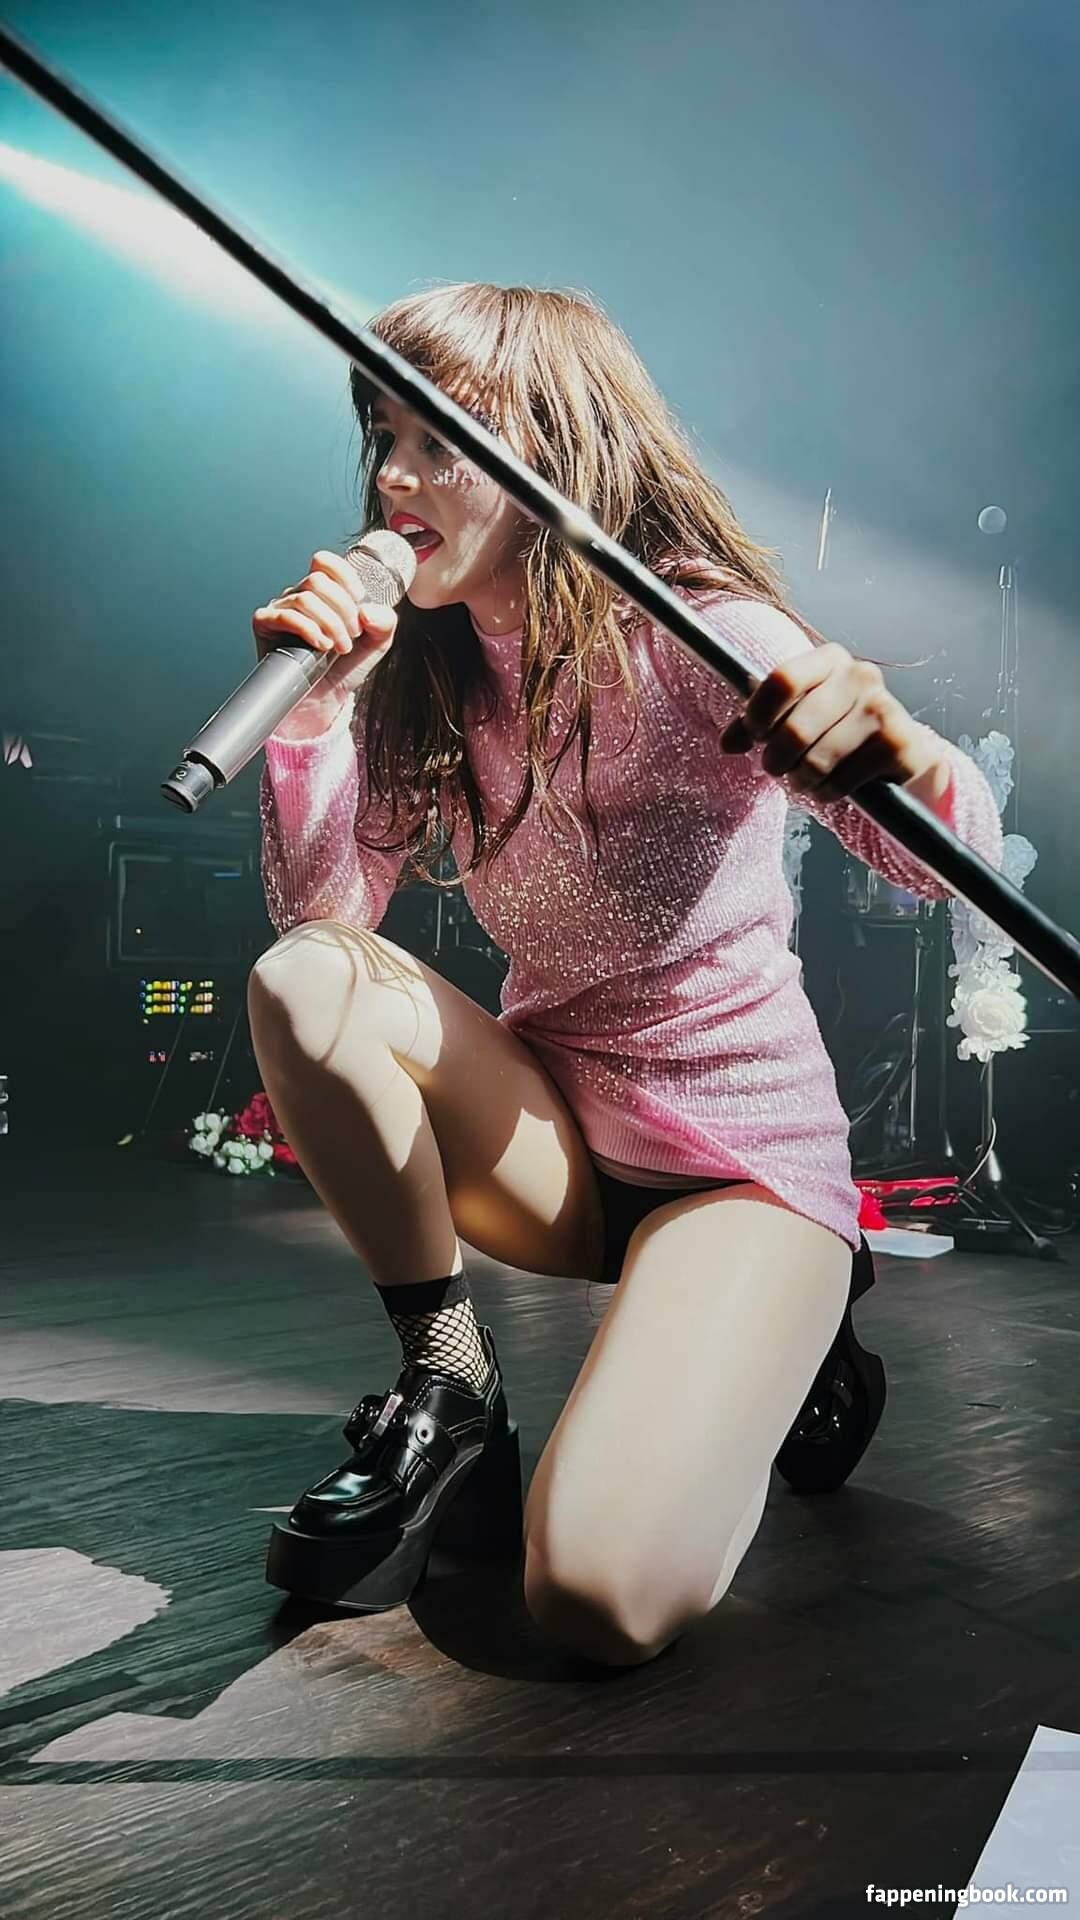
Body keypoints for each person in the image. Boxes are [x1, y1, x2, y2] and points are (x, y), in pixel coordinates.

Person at [248, 283, 1001, 1668]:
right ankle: (450, 1388)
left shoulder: (698, 628)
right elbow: (323, 921)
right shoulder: (429, 671)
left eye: (436, 442)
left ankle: (807, 1330)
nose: (393, 479)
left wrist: (901, 750)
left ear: (554, 455)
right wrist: (323, 707)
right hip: (556, 1146)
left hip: (735, 1172)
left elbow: (938, 869)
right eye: (381, 438)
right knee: (308, 979)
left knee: (597, 1600)